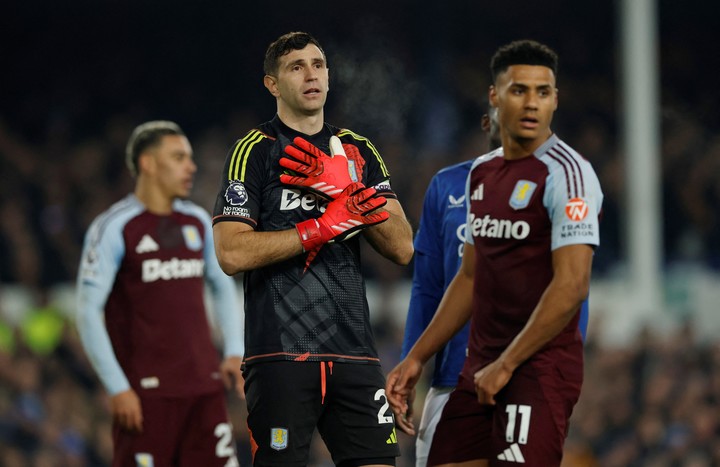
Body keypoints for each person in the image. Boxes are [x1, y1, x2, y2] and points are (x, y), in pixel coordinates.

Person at [386, 39, 603, 467]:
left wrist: (509, 363)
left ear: (555, 100)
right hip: (479, 368)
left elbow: (573, 285)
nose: (532, 103)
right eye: (519, 90)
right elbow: (469, 278)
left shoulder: (570, 175)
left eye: (543, 92)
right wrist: (415, 358)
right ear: (494, 96)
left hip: (536, 370)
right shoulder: (481, 176)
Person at [212, 31, 414, 467]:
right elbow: (231, 253)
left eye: (318, 65)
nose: (311, 75)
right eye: (296, 66)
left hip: (354, 351)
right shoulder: (254, 151)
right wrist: (321, 227)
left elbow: (402, 247)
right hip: (280, 353)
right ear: (272, 84)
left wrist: (350, 189)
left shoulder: (359, 151)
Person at [76, 120, 244, 467]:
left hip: (204, 389)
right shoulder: (114, 227)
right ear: (148, 164)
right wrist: (117, 387)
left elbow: (222, 284)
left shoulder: (197, 221)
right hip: (145, 396)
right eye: (179, 157)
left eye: (190, 157)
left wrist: (233, 350)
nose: (191, 166)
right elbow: (87, 311)